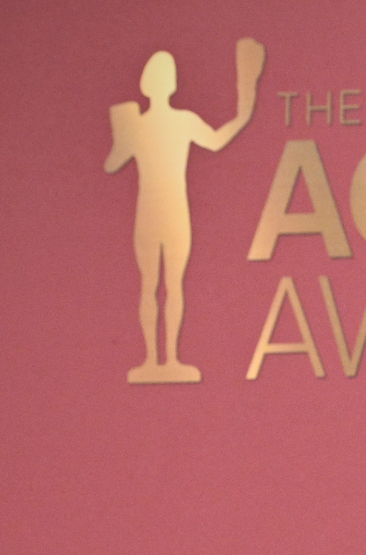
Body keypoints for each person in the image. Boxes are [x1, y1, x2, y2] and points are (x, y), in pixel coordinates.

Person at [105, 39, 264, 384]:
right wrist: (244, 109)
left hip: (157, 213)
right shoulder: (168, 122)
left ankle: (161, 359)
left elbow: (113, 160)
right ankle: (161, 359)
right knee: (166, 285)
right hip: (170, 213)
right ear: (171, 85)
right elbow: (219, 138)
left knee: (156, 284)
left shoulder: (148, 124)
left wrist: (122, 133)